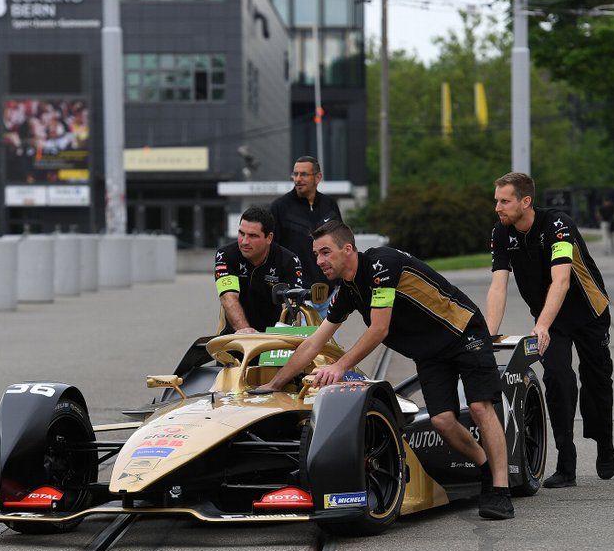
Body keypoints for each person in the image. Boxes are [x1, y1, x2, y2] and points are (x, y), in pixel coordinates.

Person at [257, 220, 513, 520]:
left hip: (463, 332)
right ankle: (484, 469)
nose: (319, 261)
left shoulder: (381, 265)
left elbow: (379, 329)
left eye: (325, 252)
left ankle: (501, 489)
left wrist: (340, 366)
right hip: (430, 352)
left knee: (480, 406)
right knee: (443, 421)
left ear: (347, 249)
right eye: (316, 254)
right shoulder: (348, 291)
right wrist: (274, 384)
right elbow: (314, 342)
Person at [487, 172, 614, 488]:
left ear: (525, 201)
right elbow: (498, 287)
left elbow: (562, 280)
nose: (498, 208)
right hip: (551, 319)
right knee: (558, 378)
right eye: (497, 201)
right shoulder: (501, 233)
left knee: (596, 381)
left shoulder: (558, 225)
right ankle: (566, 462)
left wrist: (540, 325)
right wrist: (487, 336)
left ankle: (604, 441)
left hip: (588, 312)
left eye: (505, 201)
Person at [270, 156, 342, 317]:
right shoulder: (280, 207)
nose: (298, 179)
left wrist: (340, 282)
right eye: (295, 174)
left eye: (303, 174)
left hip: (329, 294)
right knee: (303, 343)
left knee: (329, 343)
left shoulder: (330, 205)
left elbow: (340, 244)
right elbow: (272, 251)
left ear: (318, 177)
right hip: (297, 296)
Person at [214, 206, 303, 334]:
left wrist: (282, 338)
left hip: (276, 335)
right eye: (241, 233)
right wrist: (245, 330)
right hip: (237, 334)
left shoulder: (289, 260)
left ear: (269, 238)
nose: (244, 241)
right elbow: (228, 298)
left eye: (252, 236)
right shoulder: (225, 255)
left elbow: (291, 307)